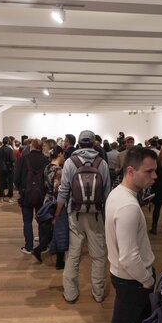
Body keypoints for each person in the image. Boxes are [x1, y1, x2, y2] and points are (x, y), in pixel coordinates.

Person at [105, 146, 162, 323]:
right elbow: (128, 257)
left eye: (154, 171)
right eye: (149, 171)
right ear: (131, 170)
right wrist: (147, 279)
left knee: (141, 318)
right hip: (132, 279)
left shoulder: (118, 193)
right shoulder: (128, 205)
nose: (155, 176)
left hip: (131, 277)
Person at [54, 130, 112, 303]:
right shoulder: (102, 163)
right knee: (98, 256)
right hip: (96, 215)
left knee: (73, 254)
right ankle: (98, 293)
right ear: (94, 144)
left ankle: (70, 293)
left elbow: (63, 191)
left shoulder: (70, 162)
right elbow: (107, 192)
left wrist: (57, 213)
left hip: (75, 214)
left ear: (78, 144)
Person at [33, 145, 66, 269]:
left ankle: (41, 250)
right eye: (63, 154)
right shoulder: (59, 170)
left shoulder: (47, 167)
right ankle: (59, 261)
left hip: (47, 199)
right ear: (59, 154)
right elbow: (58, 190)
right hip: (55, 202)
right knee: (59, 229)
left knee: (51, 229)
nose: (64, 157)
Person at [15, 139, 49, 254]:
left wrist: (21, 189)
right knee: (41, 220)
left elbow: (16, 178)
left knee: (27, 221)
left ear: (31, 146)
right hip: (41, 195)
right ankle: (43, 246)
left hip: (26, 195)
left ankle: (28, 246)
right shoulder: (46, 160)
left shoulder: (23, 160)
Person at [0, 136, 15, 202]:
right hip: (9, 169)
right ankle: (9, 198)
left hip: (1, 168)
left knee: (2, 182)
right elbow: (12, 160)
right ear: (8, 142)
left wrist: (1, 163)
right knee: (10, 183)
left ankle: (2, 197)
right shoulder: (10, 150)